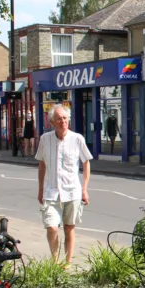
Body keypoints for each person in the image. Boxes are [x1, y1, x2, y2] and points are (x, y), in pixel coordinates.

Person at [36, 104, 92, 266]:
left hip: (72, 191)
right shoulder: (45, 139)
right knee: (52, 227)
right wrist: (40, 189)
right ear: (52, 122)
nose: (63, 121)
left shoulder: (77, 139)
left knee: (69, 228)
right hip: (51, 192)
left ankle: (67, 263)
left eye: (65, 118)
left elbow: (86, 162)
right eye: (59, 119)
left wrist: (84, 189)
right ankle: (55, 262)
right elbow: (41, 165)